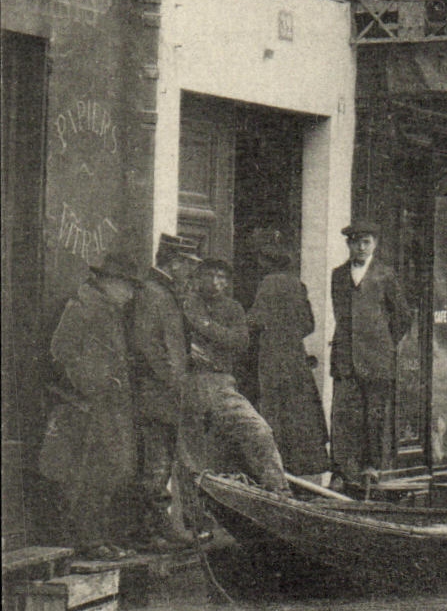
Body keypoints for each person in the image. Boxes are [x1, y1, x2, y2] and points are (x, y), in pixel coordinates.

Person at [39, 253, 144, 560]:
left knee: (107, 473)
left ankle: (95, 537)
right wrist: (93, 384)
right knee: (82, 476)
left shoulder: (109, 311)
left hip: (106, 409)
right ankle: (85, 542)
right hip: (83, 409)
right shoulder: (82, 308)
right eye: (126, 286)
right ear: (108, 283)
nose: (130, 294)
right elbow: (61, 354)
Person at [184, 259, 291, 495]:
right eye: (210, 276)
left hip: (221, 384)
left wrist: (205, 326)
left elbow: (240, 342)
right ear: (198, 278)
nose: (215, 282)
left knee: (259, 431)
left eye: (221, 277)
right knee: (191, 458)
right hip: (189, 384)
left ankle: (280, 492)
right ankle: (196, 525)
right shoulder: (187, 304)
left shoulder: (233, 309)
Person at [128, 233, 205, 549]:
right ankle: (149, 532)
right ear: (174, 263)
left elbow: (167, 341)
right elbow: (145, 345)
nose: (191, 272)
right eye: (189, 265)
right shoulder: (153, 292)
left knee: (161, 460)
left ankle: (159, 528)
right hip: (155, 395)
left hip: (165, 395)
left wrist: (186, 357)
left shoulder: (164, 291)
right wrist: (170, 378)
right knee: (155, 463)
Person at [328, 220, 411, 490]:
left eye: (366, 242)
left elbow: (402, 317)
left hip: (377, 360)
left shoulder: (385, 275)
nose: (360, 247)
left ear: (375, 244)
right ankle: (340, 471)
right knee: (342, 415)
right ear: (348, 244)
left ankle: (371, 469)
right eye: (355, 242)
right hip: (345, 359)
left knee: (373, 416)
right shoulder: (338, 275)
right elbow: (341, 315)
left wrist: (384, 343)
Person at [247, 239, 329, 478]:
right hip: (295, 358)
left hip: (273, 357)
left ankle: (275, 469)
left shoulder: (267, 283)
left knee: (275, 411)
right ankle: (299, 469)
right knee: (298, 412)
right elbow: (309, 324)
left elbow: (255, 320)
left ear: (266, 262)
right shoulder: (297, 284)